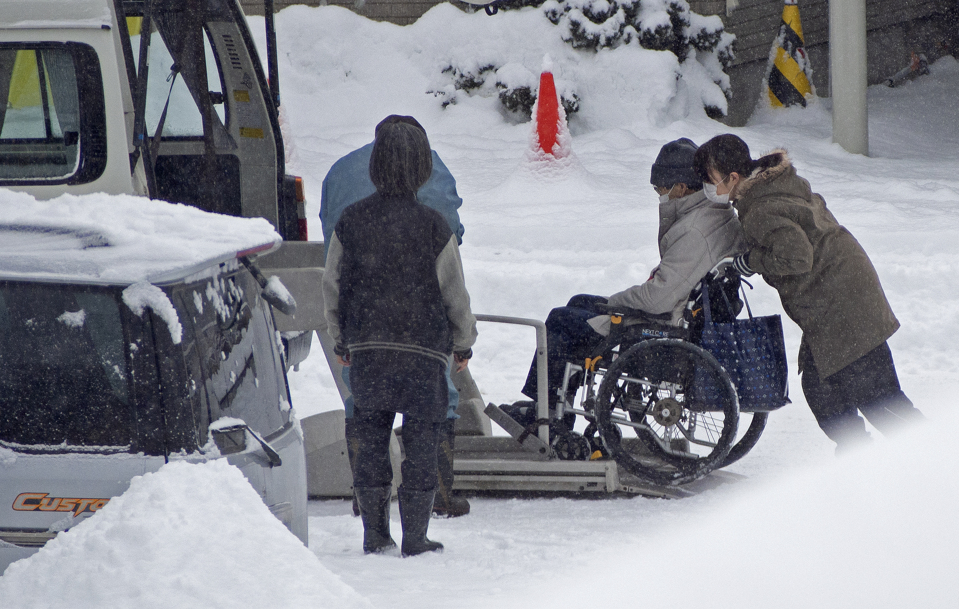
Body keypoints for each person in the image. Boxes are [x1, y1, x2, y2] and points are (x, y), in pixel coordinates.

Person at [692, 133, 924, 450]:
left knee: (879, 400)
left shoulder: (760, 208)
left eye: (710, 180)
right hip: (843, 291)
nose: (708, 188)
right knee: (821, 388)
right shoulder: (770, 186)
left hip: (841, 303)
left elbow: (797, 257)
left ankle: (936, 460)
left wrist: (750, 261)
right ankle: (862, 459)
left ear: (733, 177)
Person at [323, 120, 477, 556]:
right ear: (424, 169)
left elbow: (332, 285)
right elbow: (455, 295)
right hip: (424, 352)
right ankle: (415, 536)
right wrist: (463, 342)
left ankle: (374, 533)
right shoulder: (435, 226)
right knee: (422, 443)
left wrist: (341, 339)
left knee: (371, 437)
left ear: (373, 165)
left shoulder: (350, 222)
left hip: (368, 349)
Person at [518, 138, 746, 407]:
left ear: (681, 187)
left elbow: (657, 298)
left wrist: (613, 304)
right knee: (578, 303)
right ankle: (555, 406)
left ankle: (543, 413)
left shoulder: (696, 230)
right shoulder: (710, 213)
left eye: (660, 188)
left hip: (664, 323)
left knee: (561, 320)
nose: (658, 194)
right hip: (679, 310)